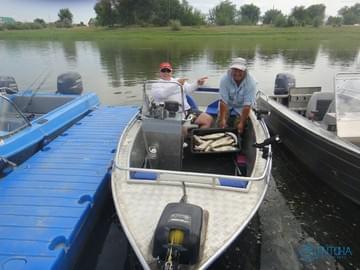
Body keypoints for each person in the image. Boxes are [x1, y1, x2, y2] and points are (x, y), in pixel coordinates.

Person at [151, 62, 213, 128]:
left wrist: (197, 83)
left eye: (168, 71)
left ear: (171, 71)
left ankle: (197, 137)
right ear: (160, 72)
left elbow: (189, 89)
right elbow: (162, 95)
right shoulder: (156, 84)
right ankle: (186, 134)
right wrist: (176, 84)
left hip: (186, 111)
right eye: (163, 71)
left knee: (208, 119)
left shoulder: (178, 80)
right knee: (184, 129)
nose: (166, 73)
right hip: (169, 114)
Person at [218, 57, 256, 134]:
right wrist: (222, 120)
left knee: (239, 128)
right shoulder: (224, 79)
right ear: (231, 69)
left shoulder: (251, 83)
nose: (237, 73)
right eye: (235, 70)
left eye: (240, 70)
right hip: (228, 105)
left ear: (245, 71)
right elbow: (223, 101)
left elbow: (247, 106)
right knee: (220, 125)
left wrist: (241, 123)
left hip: (242, 107)